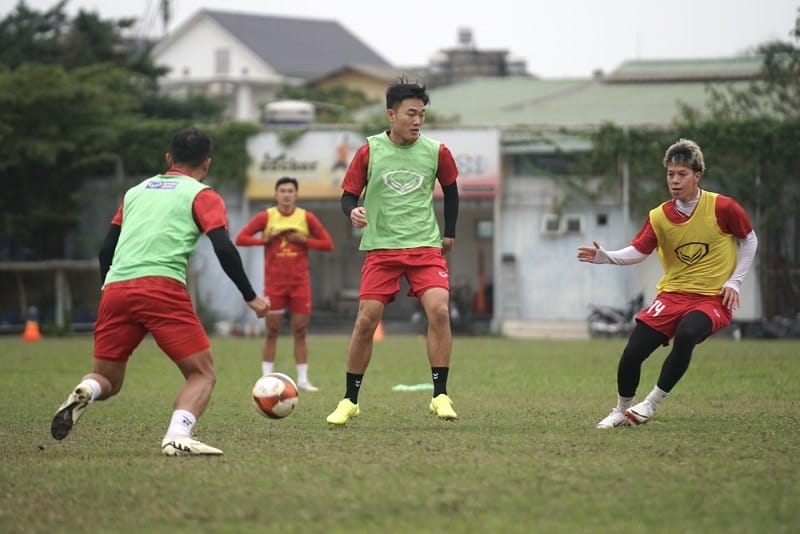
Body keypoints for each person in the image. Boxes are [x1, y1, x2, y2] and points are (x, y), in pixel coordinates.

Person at [50, 127, 271, 456]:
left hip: (116, 287)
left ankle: (87, 389)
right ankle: (177, 435)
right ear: (207, 164)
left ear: (169, 159)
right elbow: (224, 247)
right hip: (161, 287)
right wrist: (250, 295)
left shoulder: (135, 192)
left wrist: (110, 287)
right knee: (202, 374)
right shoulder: (202, 194)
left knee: (107, 379)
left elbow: (105, 251)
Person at [577, 138, 758, 429]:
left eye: (682, 174)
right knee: (633, 352)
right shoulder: (659, 216)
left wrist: (735, 282)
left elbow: (749, 239)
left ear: (697, 175)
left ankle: (651, 403)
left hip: (711, 298)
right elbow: (639, 250)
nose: (674, 180)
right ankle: (622, 410)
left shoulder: (723, 207)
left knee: (687, 334)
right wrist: (605, 256)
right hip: (672, 296)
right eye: (670, 174)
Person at [326, 77, 460, 425]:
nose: (417, 121)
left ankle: (440, 395)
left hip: (424, 248)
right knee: (366, 321)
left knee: (440, 312)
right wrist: (351, 211)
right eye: (411, 114)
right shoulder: (369, 150)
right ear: (391, 115)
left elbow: (453, 190)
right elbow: (347, 196)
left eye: (422, 115)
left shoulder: (436, 151)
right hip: (382, 249)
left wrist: (450, 233)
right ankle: (349, 401)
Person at [235, 176, 334, 391]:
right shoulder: (266, 217)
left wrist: (304, 241)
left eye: (290, 191)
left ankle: (303, 380)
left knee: (300, 331)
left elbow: (328, 244)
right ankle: (266, 379)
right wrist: (265, 240)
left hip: (300, 284)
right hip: (275, 285)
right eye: (282, 191)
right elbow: (241, 238)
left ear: (296, 195)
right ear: (276, 194)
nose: (286, 194)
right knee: (271, 331)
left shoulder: (306, 218)